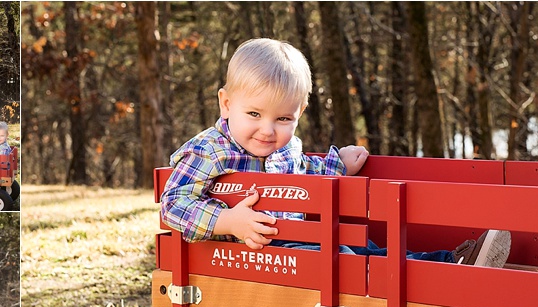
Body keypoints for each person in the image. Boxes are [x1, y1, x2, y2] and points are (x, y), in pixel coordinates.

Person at [160, 38, 511, 267]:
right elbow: (174, 202)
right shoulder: (210, 150)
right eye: (254, 114)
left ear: (299, 113)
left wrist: (336, 163)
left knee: (365, 248)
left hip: (298, 243)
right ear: (226, 103)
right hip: (258, 256)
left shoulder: (286, 148)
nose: (268, 130)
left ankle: (450, 262)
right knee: (341, 257)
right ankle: (445, 269)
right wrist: (228, 221)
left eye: (283, 118)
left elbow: (305, 175)